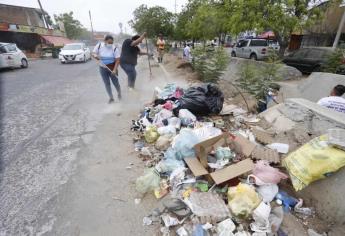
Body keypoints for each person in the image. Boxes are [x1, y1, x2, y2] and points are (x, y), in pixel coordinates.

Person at [92, 35, 121, 103]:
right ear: (105, 41)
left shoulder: (114, 48)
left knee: (116, 83)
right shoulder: (99, 46)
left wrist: (114, 69)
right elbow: (93, 53)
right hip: (103, 68)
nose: (110, 44)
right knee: (107, 83)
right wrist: (96, 56)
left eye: (111, 43)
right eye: (109, 42)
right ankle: (111, 98)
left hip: (112, 68)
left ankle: (119, 94)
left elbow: (117, 60)